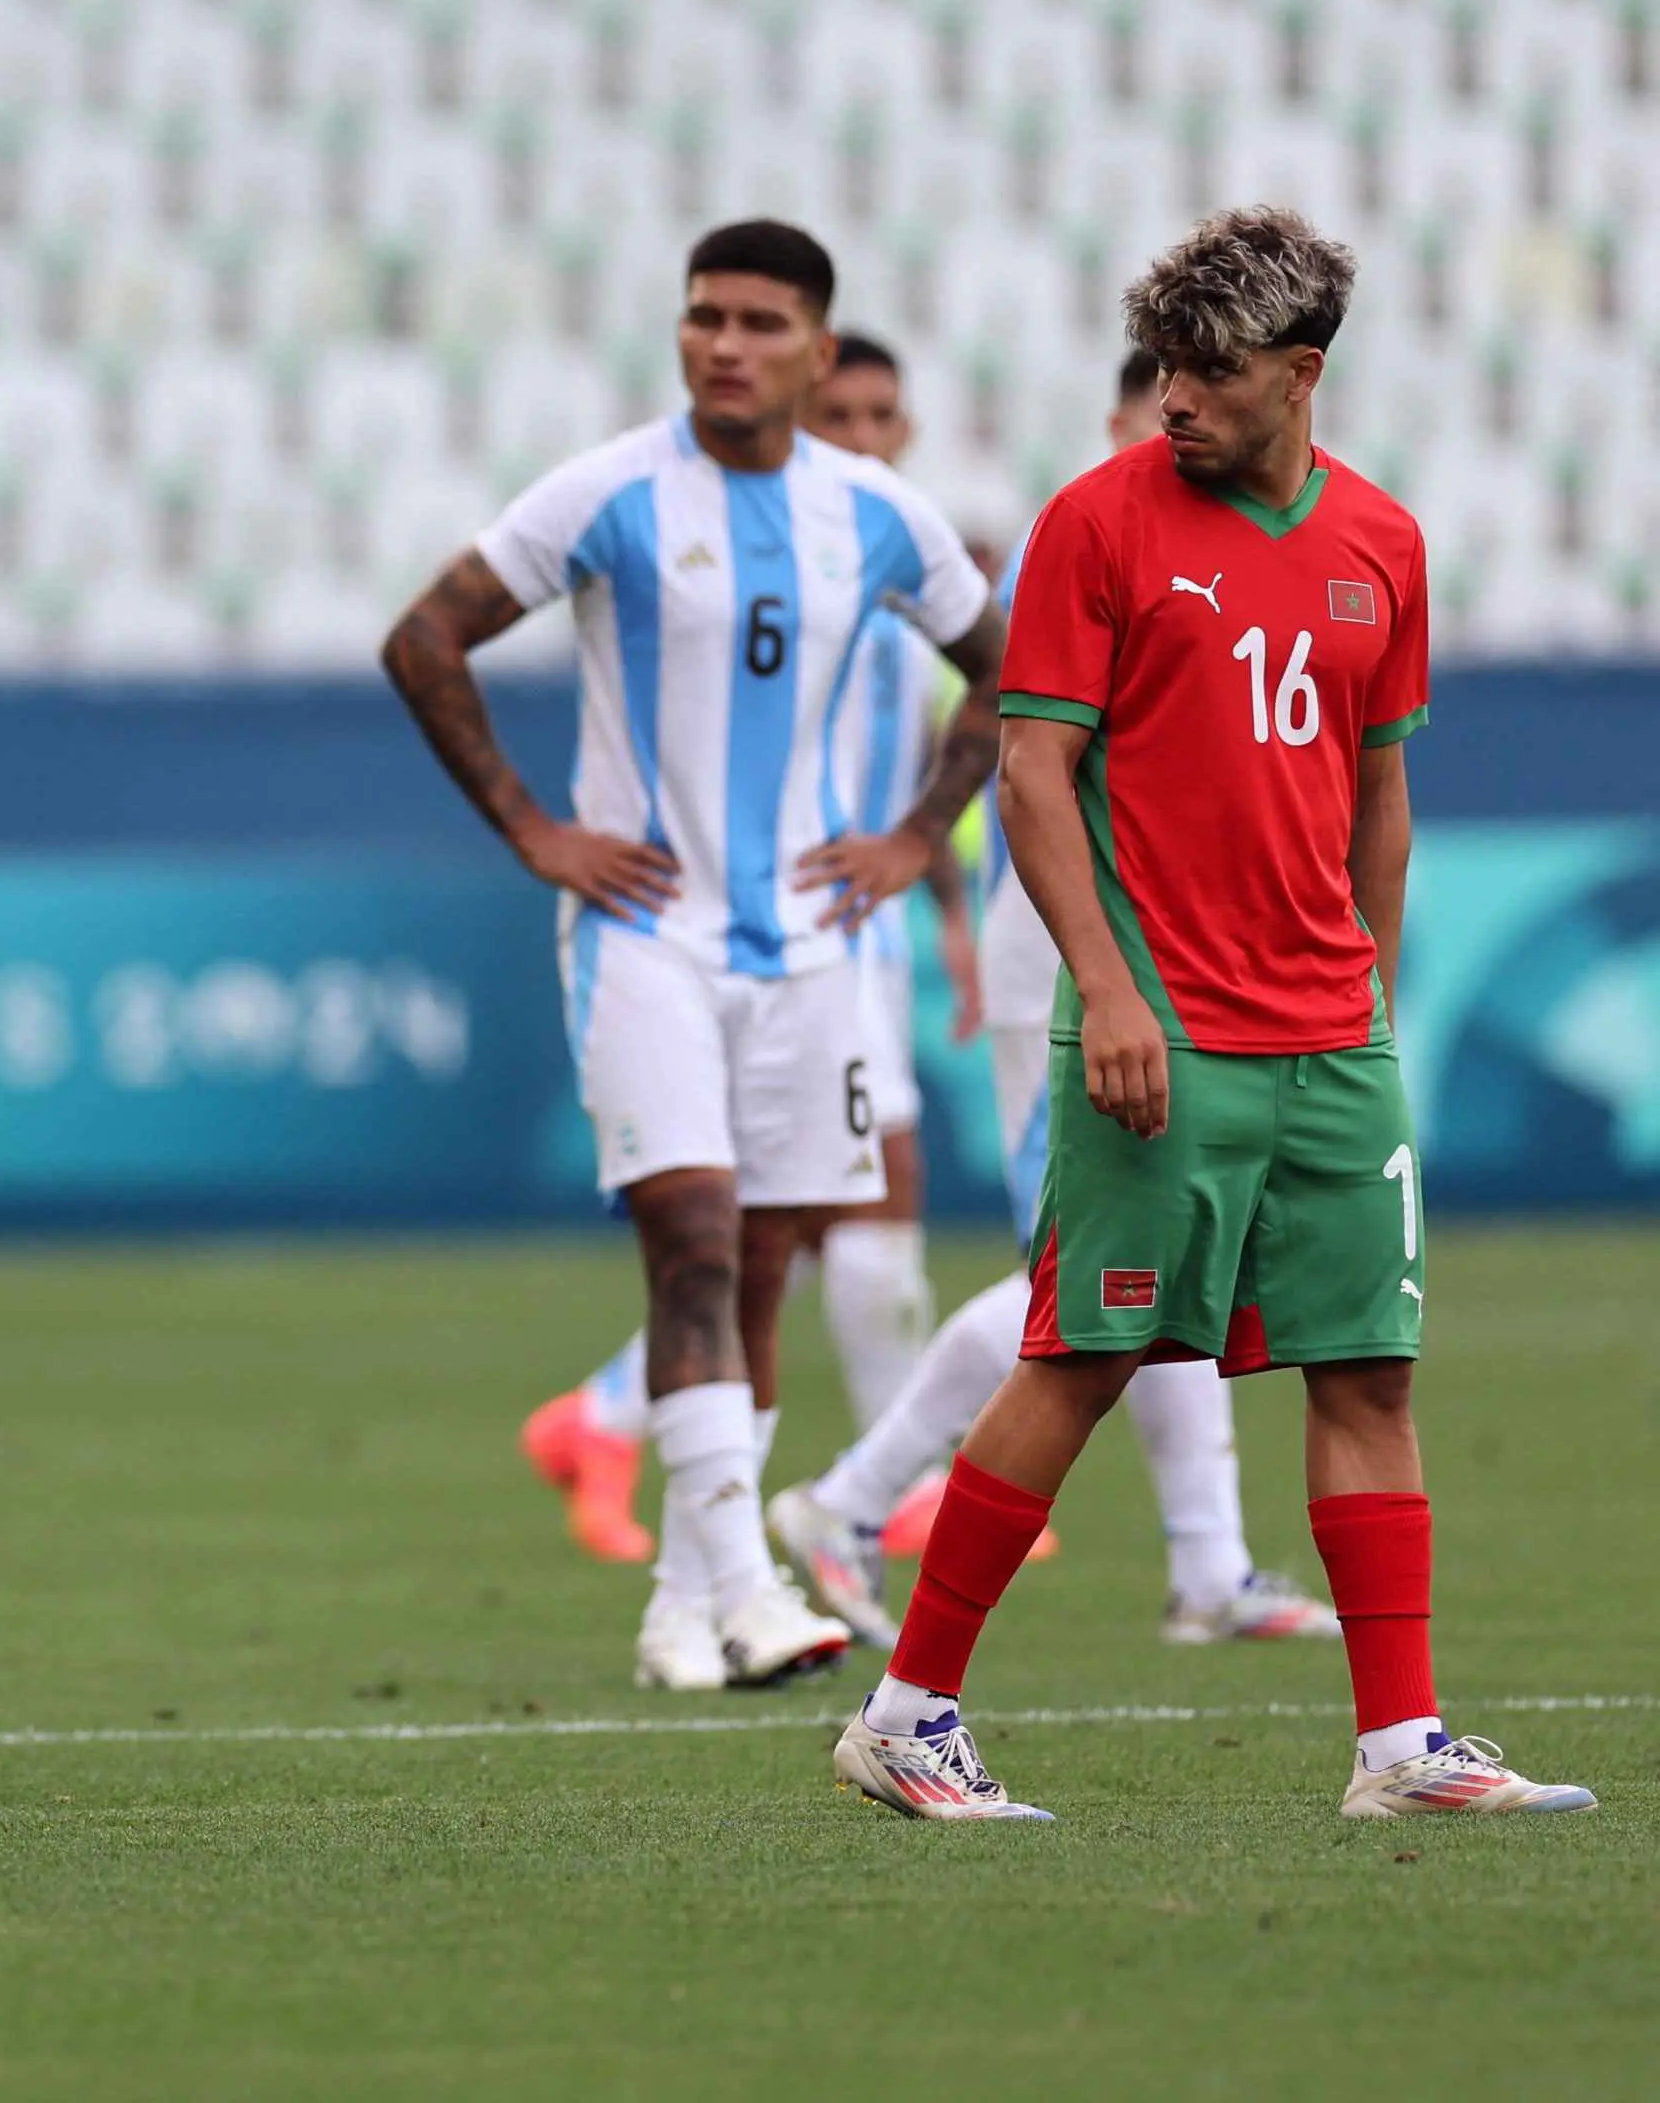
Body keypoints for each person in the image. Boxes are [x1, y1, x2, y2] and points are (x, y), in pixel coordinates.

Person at [832, 206, 1591, 1823]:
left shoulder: (1379, 542)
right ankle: (908, 1711)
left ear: (1300, 375)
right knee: (1084, 1352)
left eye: (1210, 370)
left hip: (1328, 1040)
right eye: (1164, 364)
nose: (1173, 396)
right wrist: (1109, 990)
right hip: (1160, 1030)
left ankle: (1401, 1745)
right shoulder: (1095, 525)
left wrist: (1370, 994)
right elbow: (1033, 770)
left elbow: (1378, 786)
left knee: (1368, 1373)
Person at [382, 219, 1006, 1694]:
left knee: (764, 1273)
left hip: (813, 953)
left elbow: (1012, 666)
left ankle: (681, 1610)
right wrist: (536, 827)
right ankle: (749, 1586)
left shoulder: (879, 517)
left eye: (760, 322)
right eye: (703, 316)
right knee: (699, 1246)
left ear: (819, 348)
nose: (725, 343)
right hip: (644, 936)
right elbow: (426, 637)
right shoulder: (611, 492)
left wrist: (921, 836)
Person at [770, 350, 1337, 1652]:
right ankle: (855, 1501)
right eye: (1164, 405)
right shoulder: (1083, 541)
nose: (1184, 429)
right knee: (1088, 1268)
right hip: (1077, 963)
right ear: (1123, 418)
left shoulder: (1235, 553)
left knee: (1166, 1258)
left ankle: (1207, 1566)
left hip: (1160, 957)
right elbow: (1025, 756)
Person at [512, 332, 976, 1569]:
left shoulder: (891, 582)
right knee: (829, 1216)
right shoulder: (802, 592)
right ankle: (884, 1486)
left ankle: (616, 1419)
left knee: (801, 1228)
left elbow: (912, 777)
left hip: (857, 939)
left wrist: (943, 914)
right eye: (842, 414)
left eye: (885, 414)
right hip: (768, 938)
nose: (865, 435)